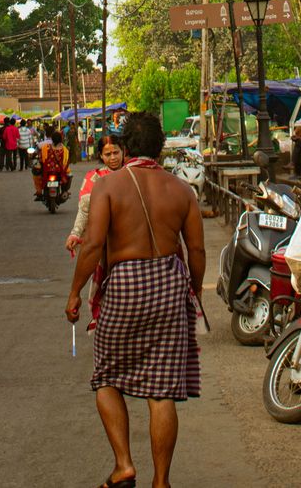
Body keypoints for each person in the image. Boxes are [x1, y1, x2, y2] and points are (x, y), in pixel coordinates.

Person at [67, 112, 203, 488]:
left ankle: (124, 465)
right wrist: (191, 289)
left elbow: (93, 246)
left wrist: (75, 292)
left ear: (125, 148)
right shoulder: (182, 190)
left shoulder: (108, 187)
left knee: (107, 378)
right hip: (169, 285)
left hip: (124, 285)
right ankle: (162, 481)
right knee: (162, 392)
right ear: (160, 148)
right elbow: (196, 250)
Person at [66, 130, 126, 254]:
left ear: (123, 151)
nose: (113, 157)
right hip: (104, 241)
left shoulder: (132, 173)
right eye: (108, 154)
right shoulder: (93, 177)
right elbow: (84, 210)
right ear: (101, 155)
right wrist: (75, 233)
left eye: (116, 152)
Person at [35, 127, 71, 200]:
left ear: (52, 139)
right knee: (70, 175)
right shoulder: (65, 150)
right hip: (59, 171)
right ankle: (65, 191)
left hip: (47, 171)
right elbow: (66, 162)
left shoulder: (45, 147)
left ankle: (39, 191)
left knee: (36, 173)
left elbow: (41, 159)